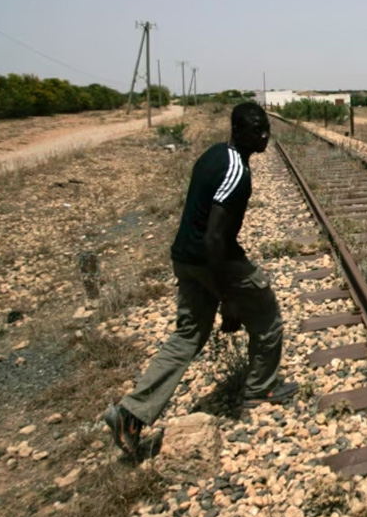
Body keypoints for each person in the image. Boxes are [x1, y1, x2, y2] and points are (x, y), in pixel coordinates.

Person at [104, 102, 298, 456]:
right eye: (256, 130)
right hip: (212, 259)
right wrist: (229, 300)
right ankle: (261, 389)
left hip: (184, 258)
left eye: (266, 127)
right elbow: (214, 239)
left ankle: (130, 414)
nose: (264, 135)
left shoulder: (214, 154)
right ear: (237, 131)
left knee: (188, 335)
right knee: (267, 316)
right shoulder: (237, 170)